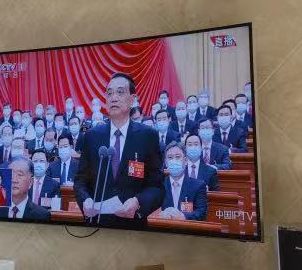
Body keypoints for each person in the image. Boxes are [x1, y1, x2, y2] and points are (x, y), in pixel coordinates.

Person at [74, 72, 163, 228]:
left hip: (133, 226)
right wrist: (85, 200)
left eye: (120, 92)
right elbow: (80, 181)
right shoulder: (92, 136)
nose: (113, 98)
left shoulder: (147, 136)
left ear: (133, 99)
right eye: (109, 93)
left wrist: (138, 202)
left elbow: (157, 187)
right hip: (97, 225)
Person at [155, 142, 208, 221]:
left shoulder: (198, 186)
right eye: (170, 157)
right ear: (166, 162)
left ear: (186, 161)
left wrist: (183, 216)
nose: (174, 161)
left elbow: (202, 212)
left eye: (178, 157)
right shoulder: (158, 185)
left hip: (187, 228)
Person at [0, 156, 50, 221]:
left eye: (19, 175)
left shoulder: (41, 215)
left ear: (31, 182)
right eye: (11, 174)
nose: (14, 180)